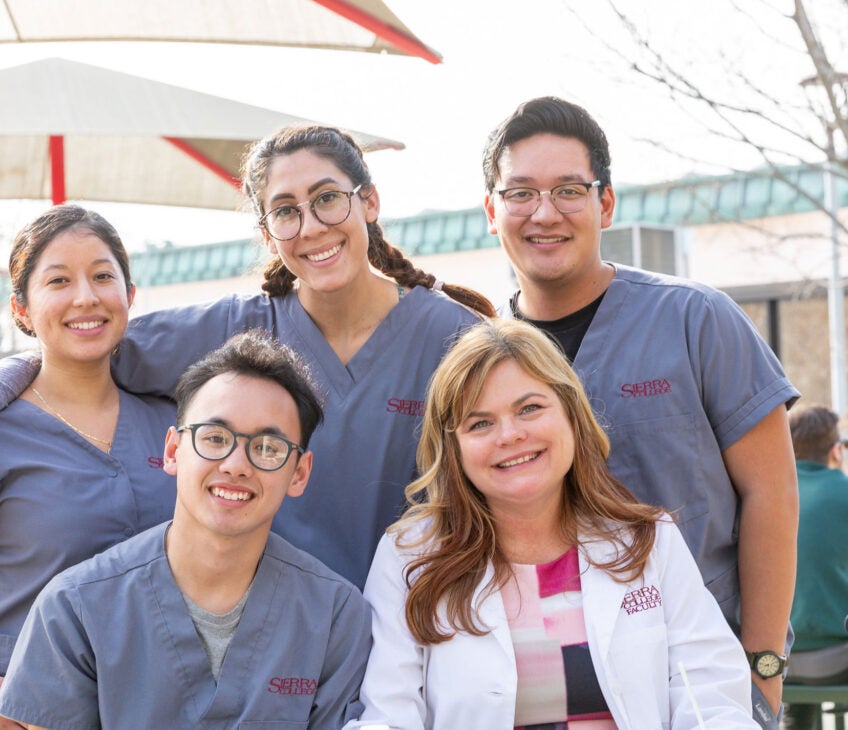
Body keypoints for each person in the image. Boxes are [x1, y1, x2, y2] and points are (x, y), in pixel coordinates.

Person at [0, 124, 496, 590]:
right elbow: (84, 340)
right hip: (267, 644)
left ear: (368, 201)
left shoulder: (455, 338)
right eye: (286, 210)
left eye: (327, 200)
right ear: (268, 234)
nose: (311, 226)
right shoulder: (235, 329)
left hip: (416, 633)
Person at [481, 96, 800, 726]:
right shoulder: (481, 360)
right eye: (521, 193)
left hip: (700, 687)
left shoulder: (695, 320)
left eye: (569, 189)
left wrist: (761, 671)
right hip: (542, 695)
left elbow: (774, 495)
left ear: (605, 203)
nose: (544, 213)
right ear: (493, 212)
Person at [348, 318, 756, 729]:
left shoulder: (650, 540)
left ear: (571, 416)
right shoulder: (409, 559)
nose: (510, 435)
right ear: (453, 449)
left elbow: (710, 694)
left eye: (530, 409)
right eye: (480, 423)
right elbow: (389, 715)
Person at [0, 205, 177, 730]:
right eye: (59, 281)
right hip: (1, 709)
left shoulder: (175, 423)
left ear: (130, 296)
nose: (86, 297)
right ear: (22, 308)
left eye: (102, 276)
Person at [0, 331, 371, 729]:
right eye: (214, 438)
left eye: (267, 448)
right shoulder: (74, 610)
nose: (236, 464)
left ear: (300, 473)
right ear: (172, 451)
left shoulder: (335, 616)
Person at [782, 405, 848, 730]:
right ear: (836, 450)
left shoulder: (768, 495)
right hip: (839, 659)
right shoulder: (844, 492)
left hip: (778, 661)